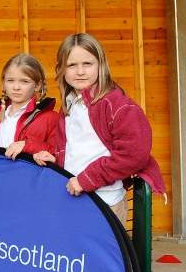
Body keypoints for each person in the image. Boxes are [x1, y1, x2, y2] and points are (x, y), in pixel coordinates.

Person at [33, 33, 165, 227]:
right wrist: (55, 159)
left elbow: (134, 154)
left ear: (100, 65)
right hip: (71, 200)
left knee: (99, 258)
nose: (80, 71)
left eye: (87, 64)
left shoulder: (118, 104)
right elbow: (79, 150)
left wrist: (87, 179)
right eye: (72, 65)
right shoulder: (69, 105)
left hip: (105, 203)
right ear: (61, 69)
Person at [0, 53, 58, 159]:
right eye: (10, 80)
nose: (16, 87)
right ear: (4, 82)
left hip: (27, 175)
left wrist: (27, 145)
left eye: (24, 81)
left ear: (37, 86)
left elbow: (57, 155)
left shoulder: (51, 118)